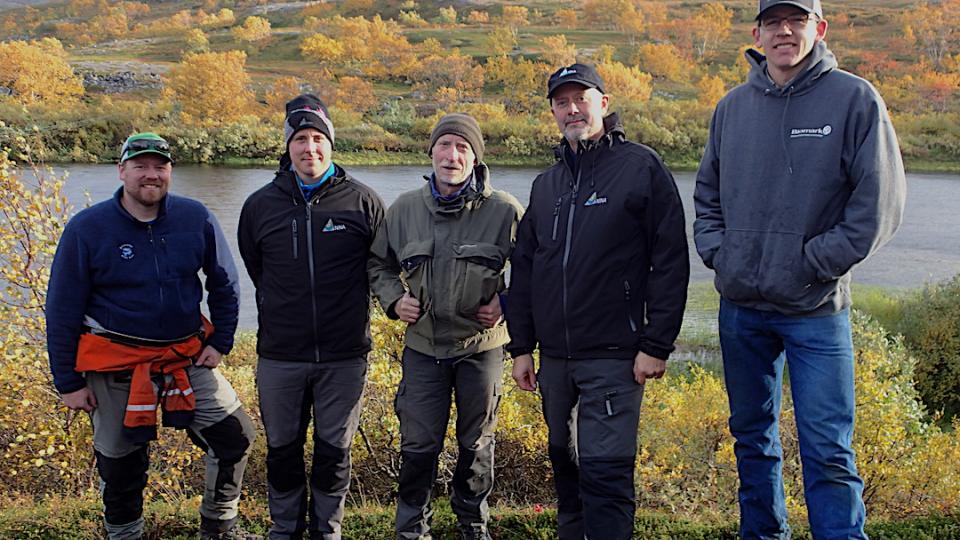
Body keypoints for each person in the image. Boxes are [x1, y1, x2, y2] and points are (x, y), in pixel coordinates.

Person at [693, 0, 907, 537]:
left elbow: (877, 208)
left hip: (816, 311)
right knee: (751, 439)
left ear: (820, 28)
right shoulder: (732, 107)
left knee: (828, 447)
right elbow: (706, 198)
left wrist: (811, 264)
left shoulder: (855, 99)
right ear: (757, 32)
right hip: (741, 309)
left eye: (798, 20)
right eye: (773, 22)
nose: (784, 31)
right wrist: (723, 255)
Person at [506, 63, 690, 540]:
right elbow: (524, 268)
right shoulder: (546, 185)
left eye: (581, 99)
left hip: (616, 355)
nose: (572, 109)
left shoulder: (640, 166)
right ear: (552, 111)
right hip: (556, 359)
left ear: (603, 103)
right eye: (562, 102)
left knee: (606, 475)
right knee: (565, 470)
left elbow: (670, 258)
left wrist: (658, 343)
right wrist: (522, 346)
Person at [45, 132, 258, 540]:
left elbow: (225, 284)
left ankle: (218, 528)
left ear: (170, 172)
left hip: (184, 356)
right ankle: (126, 535)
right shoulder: (87, 229)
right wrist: (68, 382)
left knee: (235, 436)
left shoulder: (195, 217)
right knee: (121, 462)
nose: (151, 174)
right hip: (114, 363)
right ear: (121, 170)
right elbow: (62, 308)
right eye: (140, 165)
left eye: (159, 166)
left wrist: (221, 341)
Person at [368, 113, 523, 540]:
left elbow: (534, 268)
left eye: (462, 148)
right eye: (444, 146)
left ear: (475, 158)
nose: (452, 156)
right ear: (431, 151)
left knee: (476, 444)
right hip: (423, 348)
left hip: (481, 348)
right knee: (418, 445)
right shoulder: (403, 210)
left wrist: (507, 302)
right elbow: (378, 263)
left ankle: (473, 526)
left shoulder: (505, 211)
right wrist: (395, 300)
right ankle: (412, 530)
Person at [238, 94, 385, 540]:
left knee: (333, 451)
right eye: (300, 139)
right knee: (282, 450)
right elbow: (256, 269)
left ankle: (327, 530)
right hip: (281, 355)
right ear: (288, 146)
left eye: (318, 138)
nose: (310, 148)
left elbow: (381, 269)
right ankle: (284, 530)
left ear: (331, 144)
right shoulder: (260, 206)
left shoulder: (363, 202)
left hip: (343, 356)